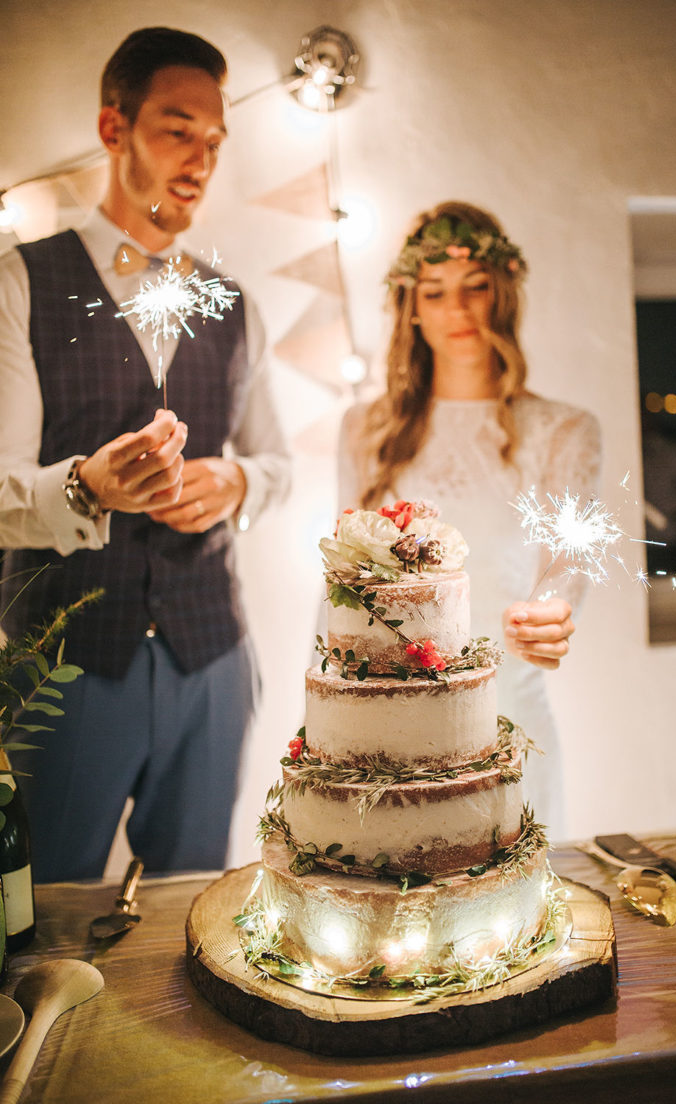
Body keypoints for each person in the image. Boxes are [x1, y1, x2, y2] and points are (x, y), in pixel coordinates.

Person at [0, 27, 291, 880]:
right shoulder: (20, 282)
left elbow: (278, 462)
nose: (200, 157)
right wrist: (88, 488)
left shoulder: (236, 305)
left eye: (214, 140)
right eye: (176, 128)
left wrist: (234, 482)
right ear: (113, 128)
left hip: (214, 659)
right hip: (67, 661)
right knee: (44, 915)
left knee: (196, 913)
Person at [338, 201, 601, 838]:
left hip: (508, 705)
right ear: (412, 305)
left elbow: (569, 565)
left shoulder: (564, 429)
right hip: (392, 717)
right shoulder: (366, 430)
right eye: (436, 292)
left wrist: (550, 612)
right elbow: (346, 582)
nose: (457, 310)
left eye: (476, 288)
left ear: (503, 294)